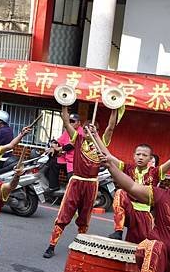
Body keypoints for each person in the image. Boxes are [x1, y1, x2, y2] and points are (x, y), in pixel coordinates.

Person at [42, 106, 117, 259]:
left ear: (97, 131)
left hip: (91, 183)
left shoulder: (102, 143)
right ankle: (51, 245)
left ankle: (80, 244)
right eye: (88, 128)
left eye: (93, 129)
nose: (90, 130)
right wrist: (64, 105)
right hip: (76, 181)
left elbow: (111, 127)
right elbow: (66, 122)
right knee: (65, 214)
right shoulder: (78, 139)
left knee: (84, 216)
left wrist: (114, 110)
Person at [106, 129, 170, 243]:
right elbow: (108, 156)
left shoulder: (155, 172)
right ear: (133, 156)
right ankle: (118, 230)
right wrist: (95, 136)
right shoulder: (127, 168)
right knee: (120, 193)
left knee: (137, 248)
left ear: (150, 158)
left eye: (144, 155)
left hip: (145, 215)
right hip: (130, 211)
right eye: (138, 154)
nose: (140, 157)